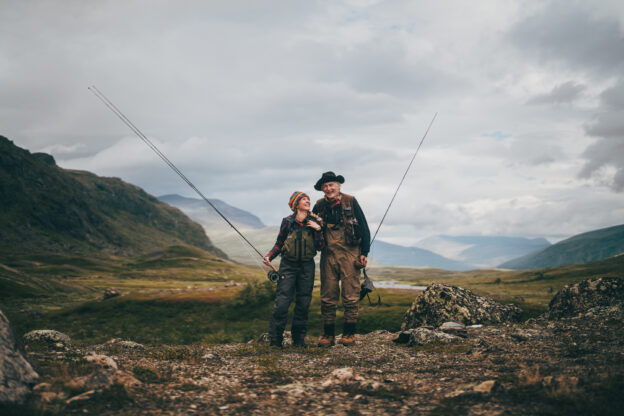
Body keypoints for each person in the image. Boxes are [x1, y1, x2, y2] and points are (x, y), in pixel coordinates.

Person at [312, 171, 370, 346]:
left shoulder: (351, 201)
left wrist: (364, 253)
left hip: (350, 254)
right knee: (327, 295)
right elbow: (309, 225)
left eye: (332, 185)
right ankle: (328, 336)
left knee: (351, 295)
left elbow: (365, 228)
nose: (329, 188)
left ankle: (349, 334)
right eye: (325, 186)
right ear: (322, 189)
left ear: (338, 186)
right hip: (327, 255)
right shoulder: (319, 206)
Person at [263, 191, 324, 348]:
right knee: (282, 303)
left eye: (308, 199)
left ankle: (298, 340)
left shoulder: (315, 221)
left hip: (307, 266)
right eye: (304, 199)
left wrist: (318, 230)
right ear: (296, 204)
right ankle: (276, 341)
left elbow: (320, 247)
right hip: (287, 266)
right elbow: (279, 243)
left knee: (303, 303)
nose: (308, 201)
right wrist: (269, 256)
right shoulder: (287, 221)